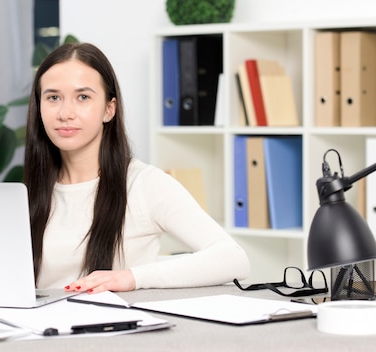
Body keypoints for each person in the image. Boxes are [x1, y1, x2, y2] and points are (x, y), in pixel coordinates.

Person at [23, 42, 250, 294]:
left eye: (83, 97)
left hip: (115, 328)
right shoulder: (26, 193)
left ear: (109, 109)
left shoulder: (145, 184)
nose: (66, 113)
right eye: (53, 97)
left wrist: (131, 278)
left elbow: (233, 259)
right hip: (35, 330)